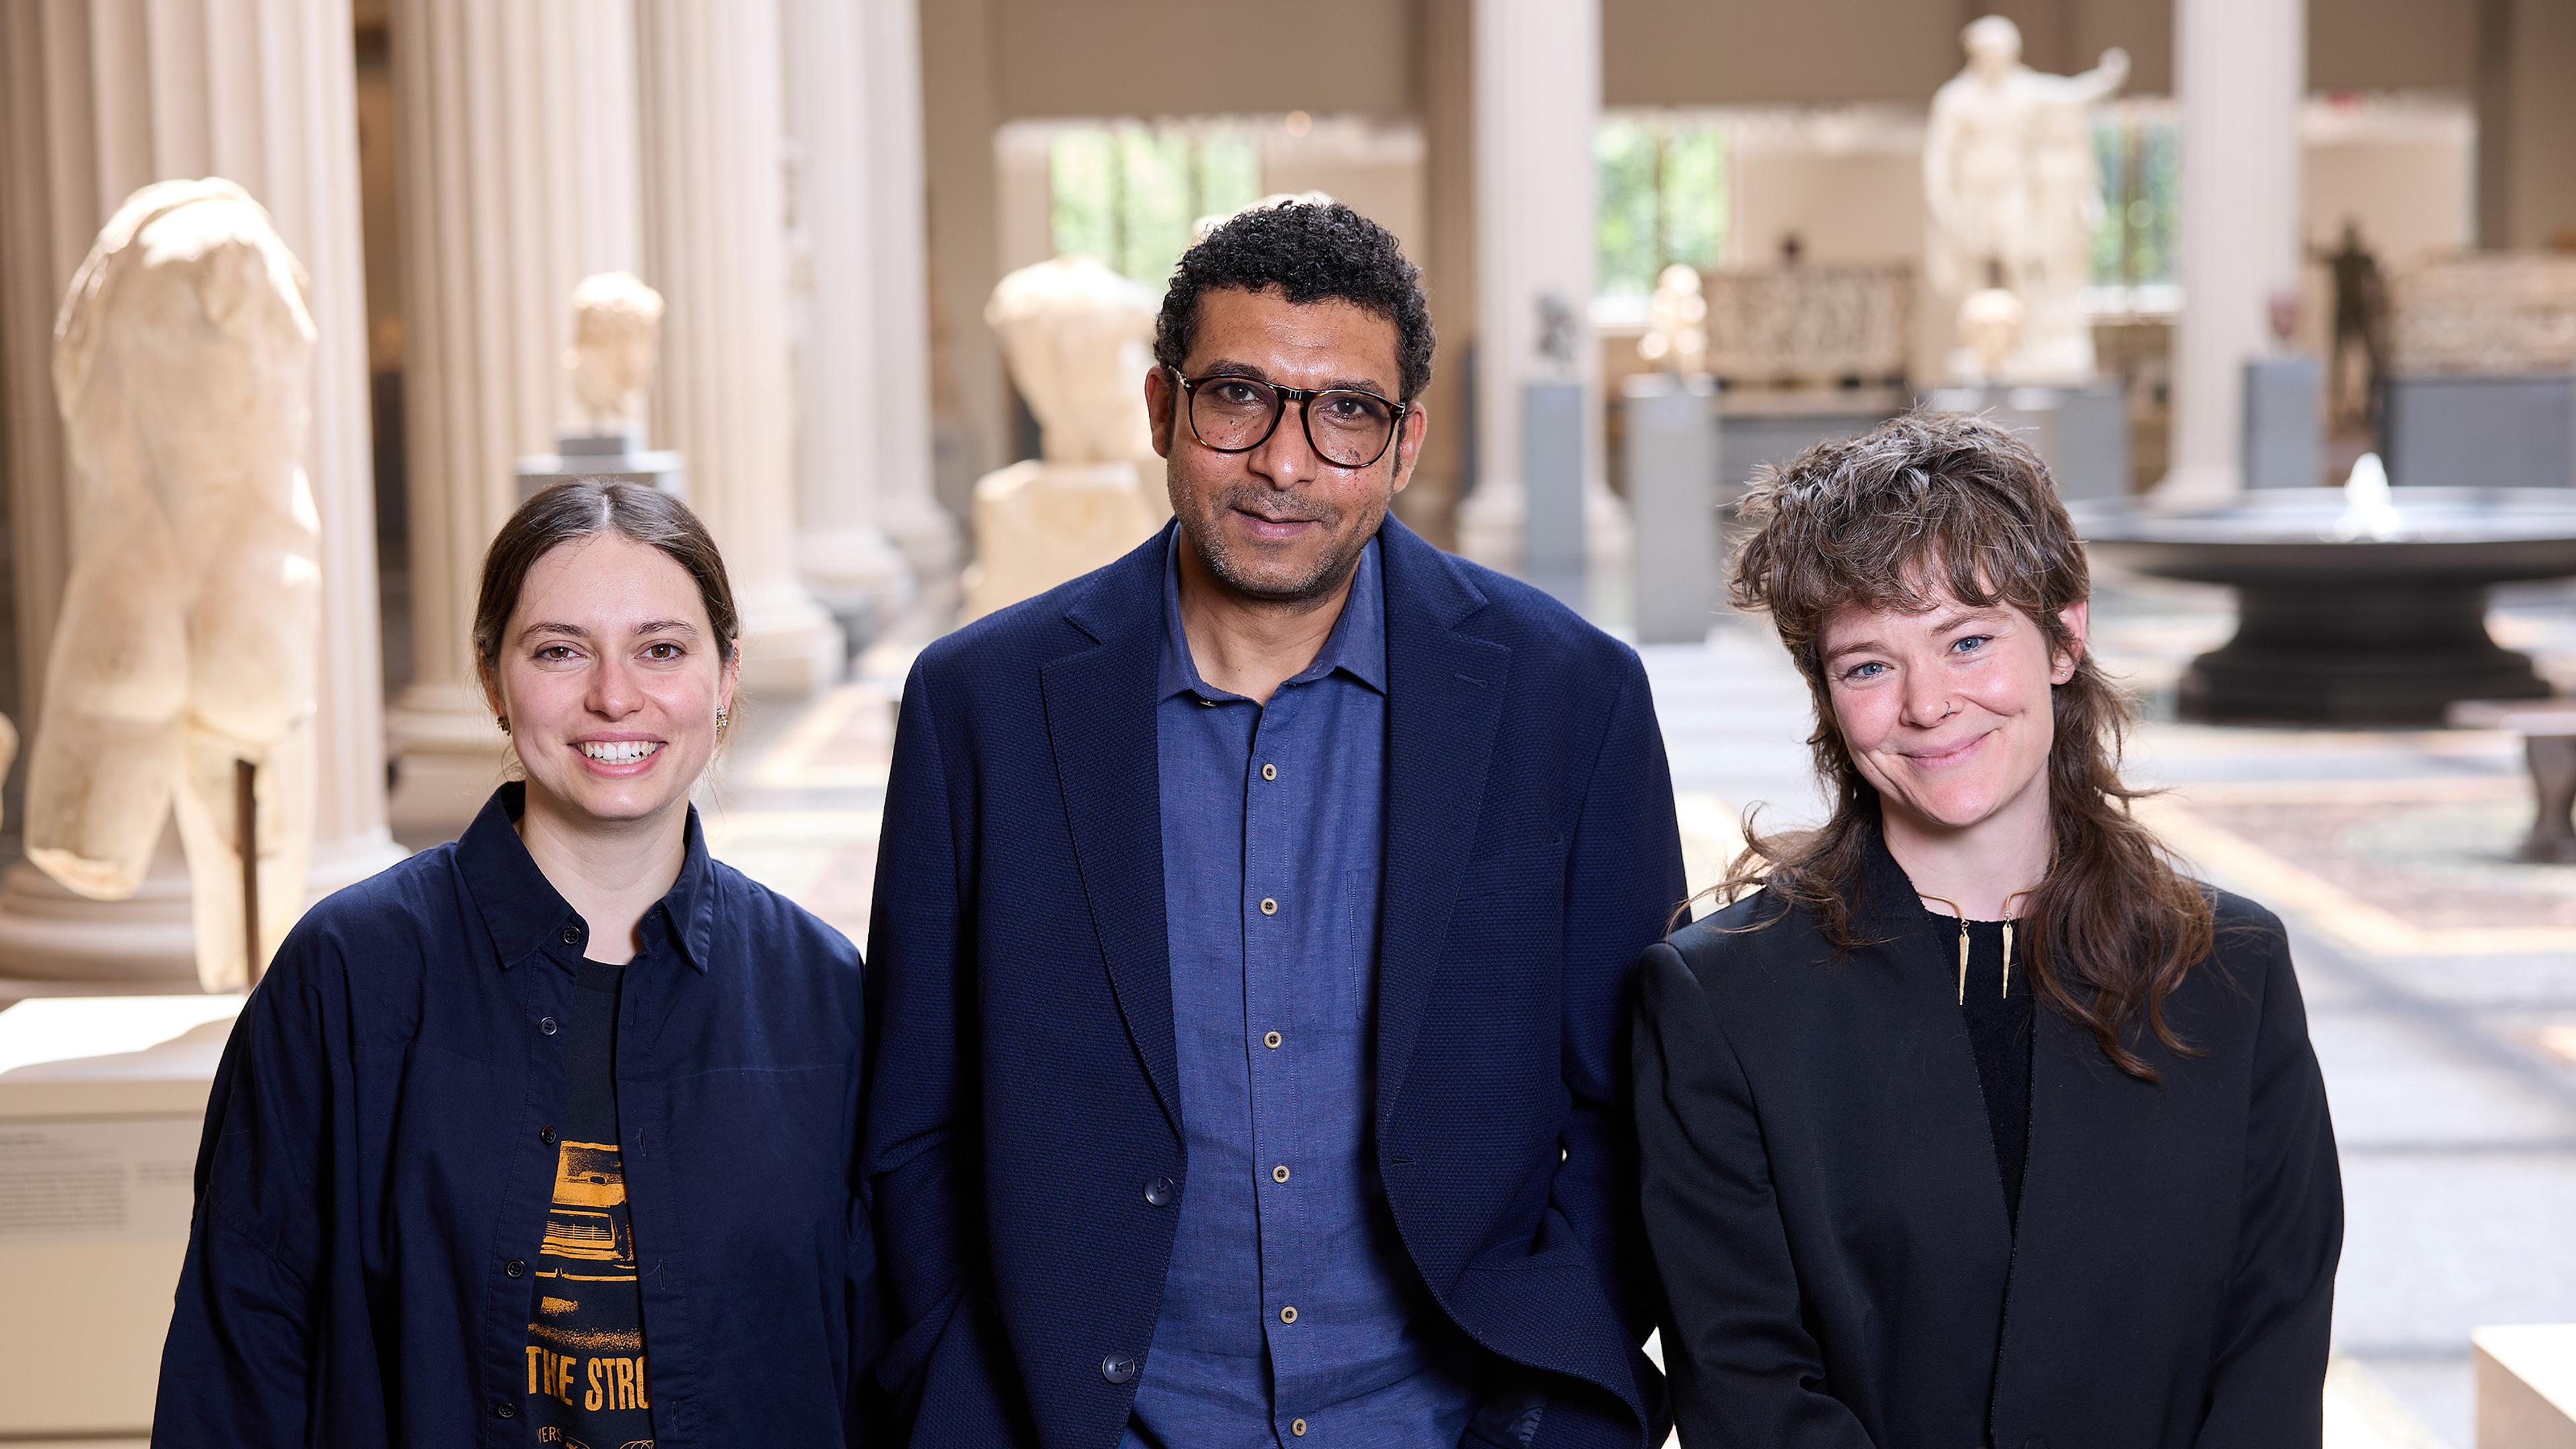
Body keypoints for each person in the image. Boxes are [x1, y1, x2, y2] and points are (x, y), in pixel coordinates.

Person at [863, 199, 1684, 1448]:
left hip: (1461, 1423)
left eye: (1345, 412)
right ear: (1160, 411)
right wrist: (962, 1387)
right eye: (1237, 396)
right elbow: (916, 1117)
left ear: (1405, 444)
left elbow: (1629, 1112)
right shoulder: (978, 706)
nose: (1285, 464)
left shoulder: (1571, 698)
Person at [1633, 411, 2343, 1448]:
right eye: (1868, 666)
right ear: (1828, 698)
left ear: (2064, 638)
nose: (1928, 704)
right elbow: (1747, 1385)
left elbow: (2271, 1356)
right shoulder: (1721, 999)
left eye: (1968, 641)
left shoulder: (2232, 971)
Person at [154, 480, 873, 1447]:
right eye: (559, 651)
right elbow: (240, 1349)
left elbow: (886, 1355)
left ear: (726, 675)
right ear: (492, 679)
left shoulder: (819, 993)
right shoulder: (348, 976)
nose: (615, 695)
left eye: (662, 649)